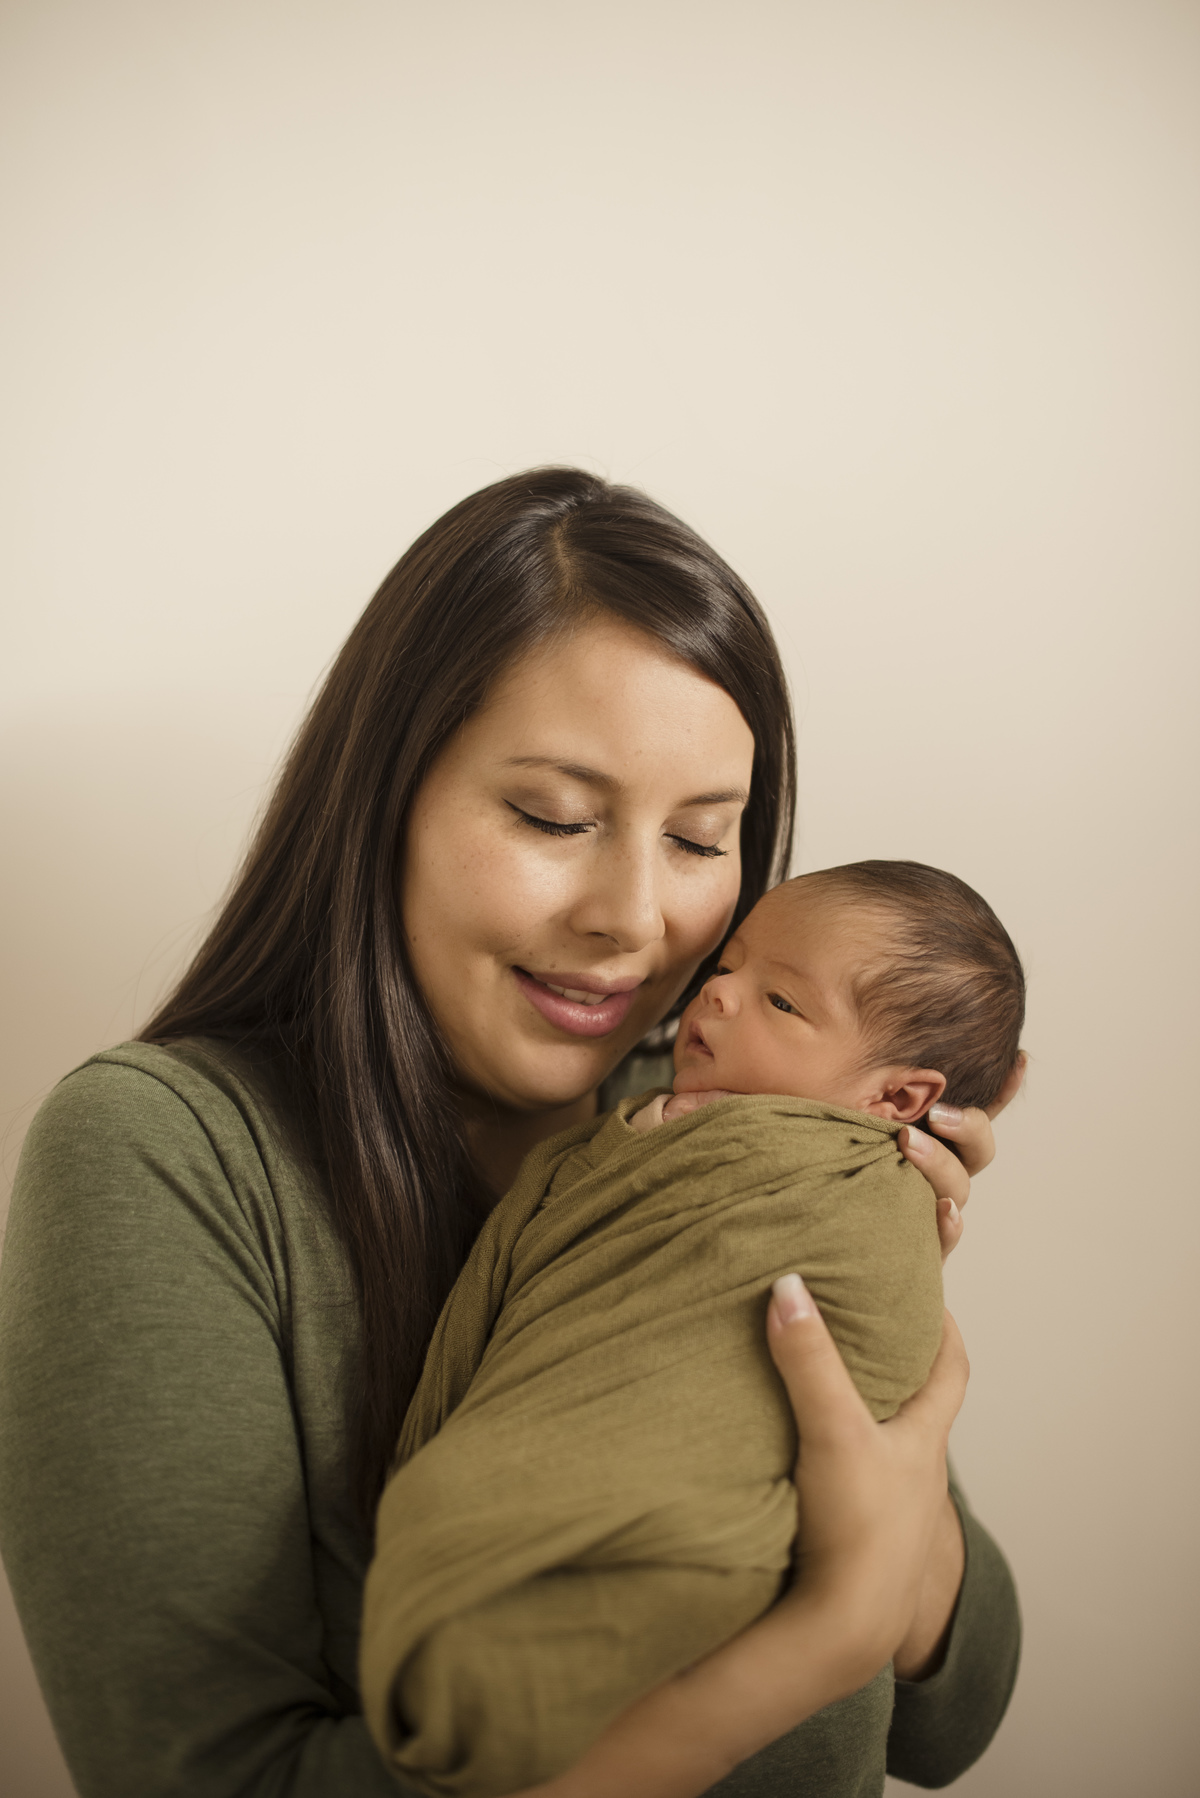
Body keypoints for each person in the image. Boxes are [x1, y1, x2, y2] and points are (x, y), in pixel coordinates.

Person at [0, 469, 1021, 1798]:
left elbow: (956, 1709)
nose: (634, 916)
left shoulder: (731, 1132)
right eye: (554, 817)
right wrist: (812, 1642)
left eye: (701, 838)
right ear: (388, 797)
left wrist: (871, 1272)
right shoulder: (164, 1155)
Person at [360, 860, 1025, 1795]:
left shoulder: (843, 1192)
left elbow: (953, 1722)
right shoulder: (649, 1124)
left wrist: (890, 1242)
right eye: (731, 964)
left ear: (900, 1101)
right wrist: (836, 1625)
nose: (715, 990)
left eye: (780, 1001)